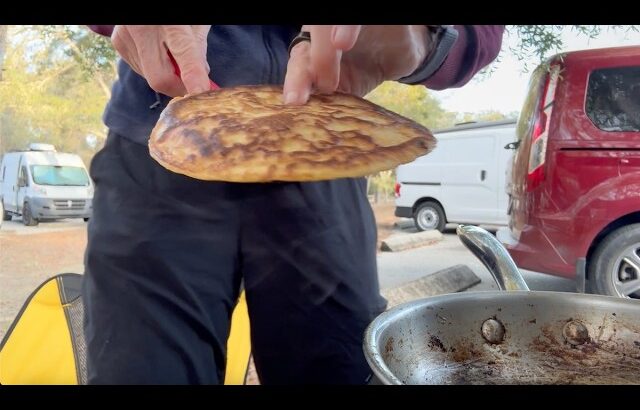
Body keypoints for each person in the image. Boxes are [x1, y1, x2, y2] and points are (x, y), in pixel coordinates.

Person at [84, 25, 504, 384]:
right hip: (164, 137)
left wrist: (426, 35)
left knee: (339, 368)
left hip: (322, 148)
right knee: (140, 367)